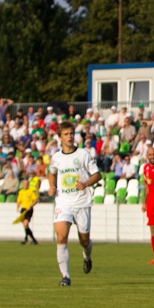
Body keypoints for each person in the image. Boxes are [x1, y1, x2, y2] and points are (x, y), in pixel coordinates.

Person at [48, 121, 102, 287]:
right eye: (66, 134)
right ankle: (66, 276)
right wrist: (52, 186)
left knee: (84, 240)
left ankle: (87, 256)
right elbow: (52, 172)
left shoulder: (83, 154)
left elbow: (97, 175)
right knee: (61, 236)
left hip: (82, 202)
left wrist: (85, 183)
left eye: (71, 133)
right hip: (63, 202)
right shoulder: (56, 157)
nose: (70, 136)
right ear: (60, 138)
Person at [16, 180, 38, 245]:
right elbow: (18, 201)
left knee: (25, 224)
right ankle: (29, 239)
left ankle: (30, 239)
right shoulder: (21, 192)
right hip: (23, 209)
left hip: (29, 209)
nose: (25, 185)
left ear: (28, 184)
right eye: (24, 184)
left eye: (26, 184)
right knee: (25, 225)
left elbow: (35, 201)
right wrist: (17, 207)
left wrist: (30, 206)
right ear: (22, 184)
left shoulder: (31, 191)